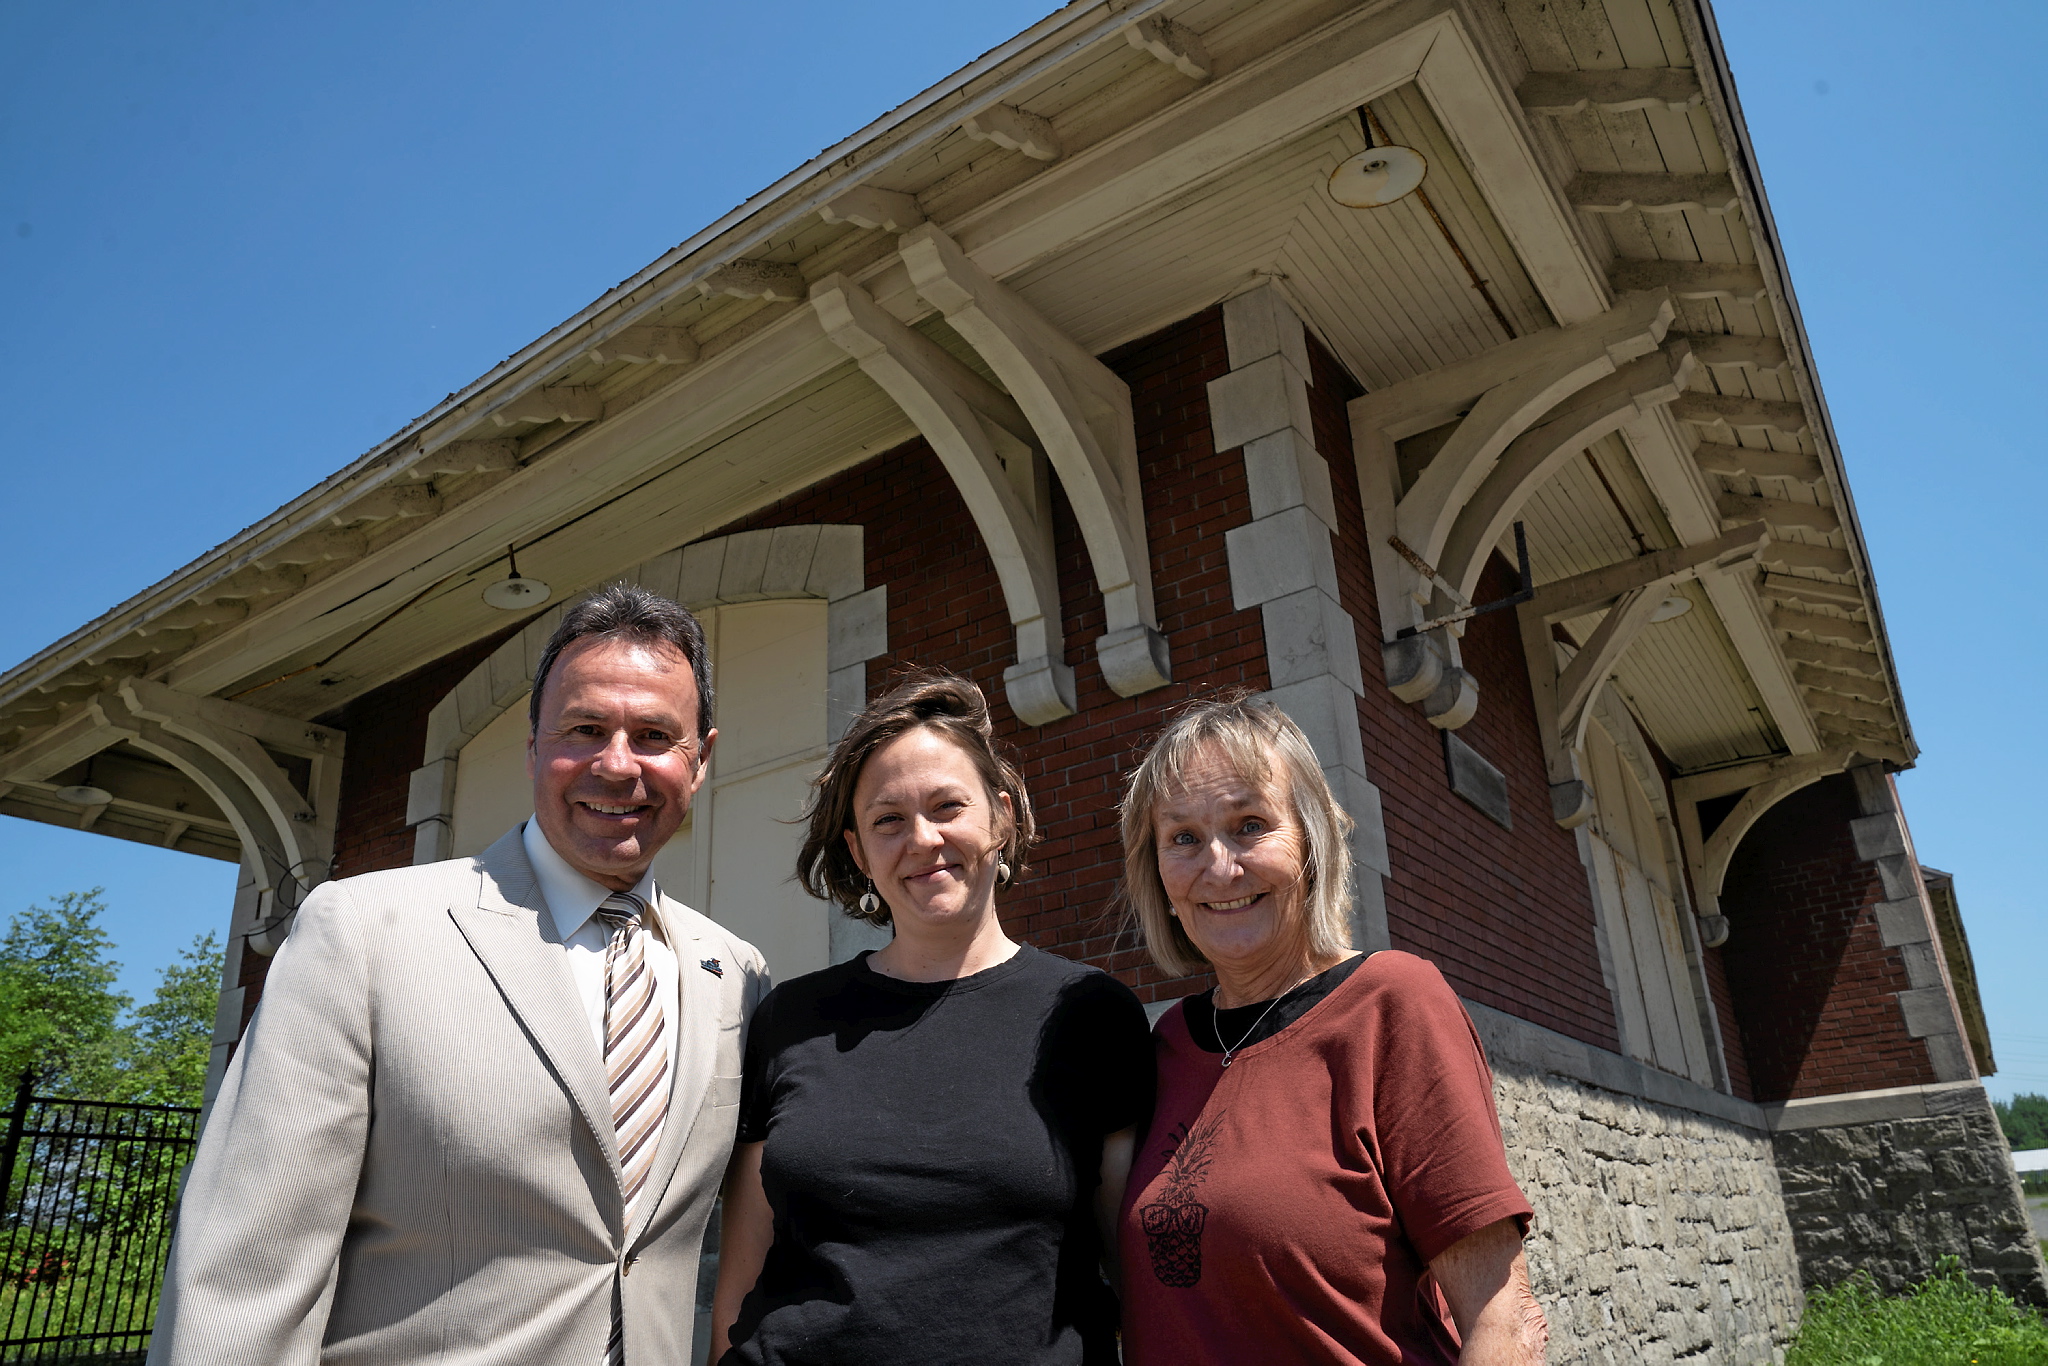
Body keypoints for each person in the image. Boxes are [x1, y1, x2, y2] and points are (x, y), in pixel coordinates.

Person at [149, 583, 771, 1366]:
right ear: (534, 747)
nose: (618, 765)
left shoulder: (736, 975)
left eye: (653, 736)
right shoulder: (363, 930)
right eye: (584, 729)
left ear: (700, 760)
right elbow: (245, 1272)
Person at [711, 671, 1154, 1365]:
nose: (922, 839)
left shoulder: (1091, 1013)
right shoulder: (791, 1020)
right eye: (888, 820)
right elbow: (738, 1288)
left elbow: (1138, 1281)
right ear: (858, 851)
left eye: (948, 806)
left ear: (1001, 818)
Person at [1115, 695, 1548, 1366]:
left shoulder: (1390, 1004)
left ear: (1310, 843)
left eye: (1250, 825)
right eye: (1184, 838)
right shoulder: (1167, 1046)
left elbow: (1506, 1322)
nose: (1220, 867)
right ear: (1158, 873)